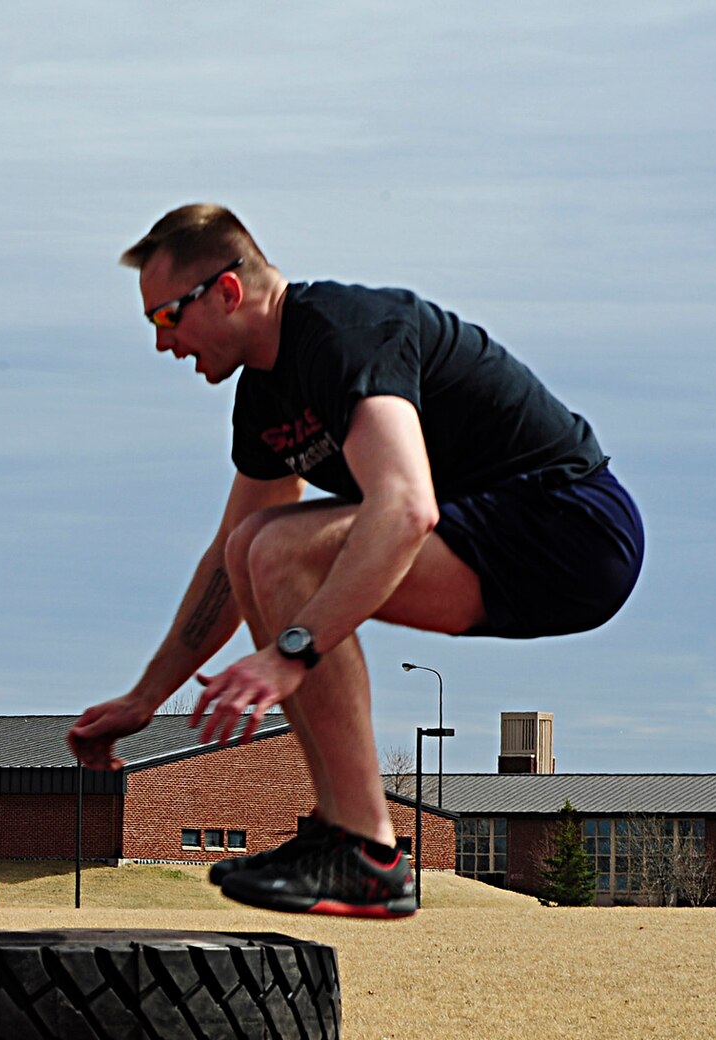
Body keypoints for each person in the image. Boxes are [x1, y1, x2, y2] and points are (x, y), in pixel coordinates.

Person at [69, 204, 642, 918]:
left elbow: (405, 509)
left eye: (166, 318)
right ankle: (341, 836)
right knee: (254, 548)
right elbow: (227, 561)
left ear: (227, 290)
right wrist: (144, 699)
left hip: (572, 529)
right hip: (494, 533)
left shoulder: (344, 333)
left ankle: (368, 851)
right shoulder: (265, 398)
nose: (163, 344)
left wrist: (293, 652)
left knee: (279, 552)